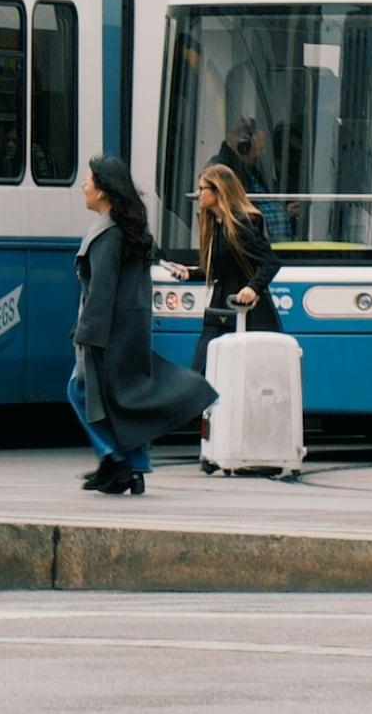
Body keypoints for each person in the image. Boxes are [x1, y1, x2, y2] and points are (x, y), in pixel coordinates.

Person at [71, 156, 217, 496]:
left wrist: (86, 336)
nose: (84, 187)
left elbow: (101, 291)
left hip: (108, 334)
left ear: (104, 191)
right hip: (130, 330)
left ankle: (114, 458)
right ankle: (133, 470)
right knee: (127, 402)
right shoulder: (129, 229)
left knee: (81, 391)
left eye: (89, 181)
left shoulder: (106, 234)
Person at [162, 163, 282, 374]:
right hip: (221, 307)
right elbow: (220, 268)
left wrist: (252, 288)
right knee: (204, 367)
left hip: (247, 310)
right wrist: (189, 272)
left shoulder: (243, 224)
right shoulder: (217, 225)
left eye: (202, 189)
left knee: (239, 372)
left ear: (218, 191)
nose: (198, 195)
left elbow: (270, 262)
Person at [212, 116, 292, 241]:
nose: (262, 154)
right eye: (260, 149)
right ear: (245, 145)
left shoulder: (252, 170)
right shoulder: (224, 170)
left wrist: (284, 213)